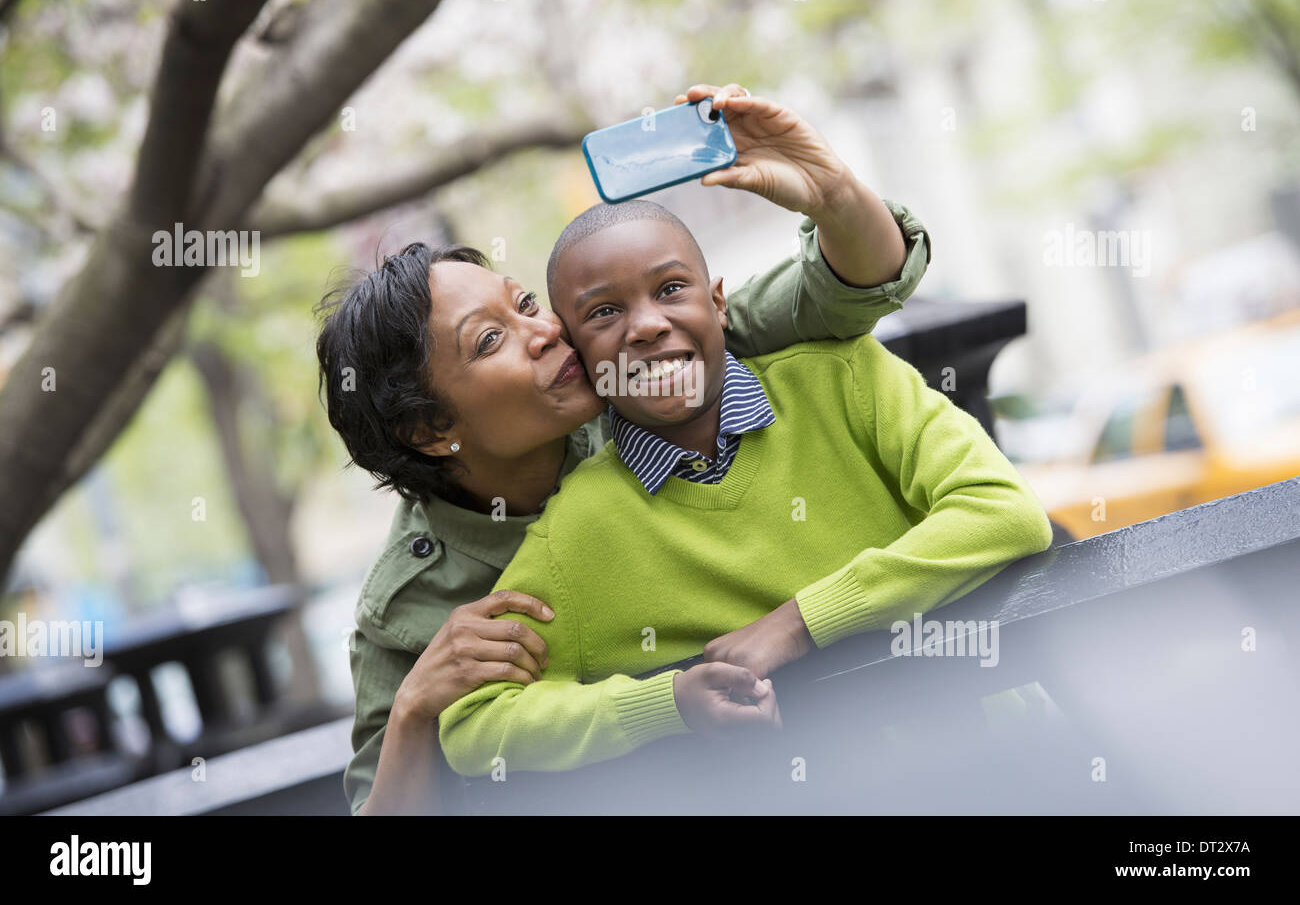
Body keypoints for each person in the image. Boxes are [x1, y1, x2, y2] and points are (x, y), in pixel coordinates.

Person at [317, 83, 932, 814]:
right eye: (490, 342)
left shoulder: (636, 368)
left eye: (521, 305)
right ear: (429, 431)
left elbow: (849, 288)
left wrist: (830, 192)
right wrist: (418, 707)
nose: (544, 332)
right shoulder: (410, 607)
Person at [435, 140, 1055, 776]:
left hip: (1019, 769)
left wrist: (798, 624)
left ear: (719, 303)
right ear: (582, 360)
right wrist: (665, 702)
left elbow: (1005, 513)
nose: (646, 325)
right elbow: (475, 725)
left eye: (672, 288)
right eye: (604, 312)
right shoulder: (580, 530)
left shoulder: (846, 378)